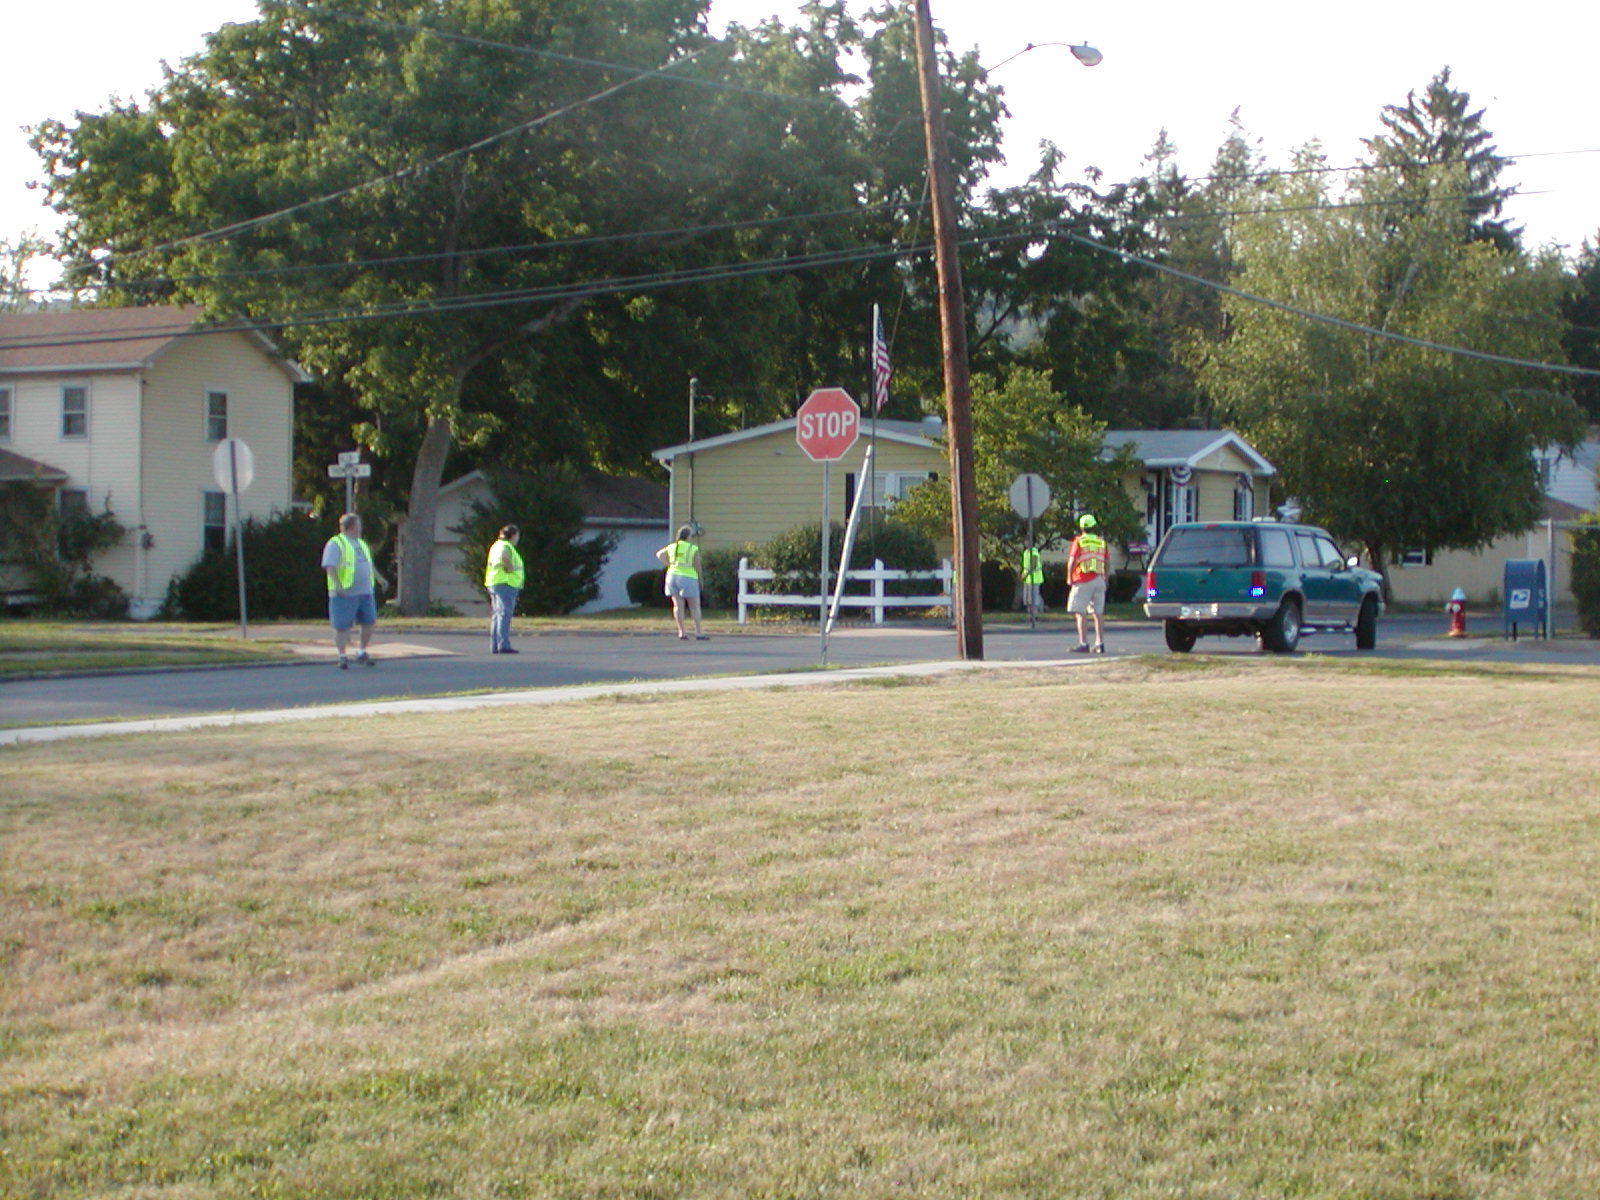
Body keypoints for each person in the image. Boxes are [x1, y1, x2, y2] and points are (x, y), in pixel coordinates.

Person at [322, 512, 385, 669]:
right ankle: (342, 656)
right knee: (342, 626)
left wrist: (379, 578)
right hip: (345, 593)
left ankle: (361, 652)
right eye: (358, 525)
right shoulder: (336, 543)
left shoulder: (361, 544)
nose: (361, 528)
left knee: (369, 622)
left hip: (365, 592)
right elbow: (330, 567)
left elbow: (368, 564)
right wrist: (338, 585)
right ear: (351, 527)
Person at [655, 524, 708, 640]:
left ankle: (682, 632)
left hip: (672, 575)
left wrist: (669, 564)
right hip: (687, 576)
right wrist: (701, 579)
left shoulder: (672, 546)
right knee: (694, 606)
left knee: (678, 605)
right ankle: (698, 632)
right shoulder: (692, 548)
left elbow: (659, 554)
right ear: (688, 536)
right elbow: (697, 565)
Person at [1066, 513, 1108, 654]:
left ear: (1082, 528)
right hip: (1099, 579)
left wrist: (1069, 577)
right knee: (1098, 613)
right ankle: (1099, 643)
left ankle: (1083, 643)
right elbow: (1106, 563)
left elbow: (1072, 561)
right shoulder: (1101, 542)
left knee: (1080, 612)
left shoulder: (1079, 541)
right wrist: (1106, 579)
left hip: (1083, 580)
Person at [484, 525, 525, 654]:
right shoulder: (505, 546)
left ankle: (495, 645)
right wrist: (510, 567)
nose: (518, 538)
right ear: (513, 535)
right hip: (505, 583)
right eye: (517, 535)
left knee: (497, 615)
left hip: (495, 582)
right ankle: (503, 645)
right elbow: (504, 557)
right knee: (504, 614)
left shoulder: (496, 545)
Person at [1019, 544, 1044, 617]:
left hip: (1035, 578)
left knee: (1033, 597)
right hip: (1027, 578)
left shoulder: (1034, 552)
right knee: (1027, 598)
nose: (1026, 542)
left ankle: (1035, 614)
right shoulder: (1026, 552)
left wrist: (1025, 574)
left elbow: (1033, 565)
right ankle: (1029, 613)